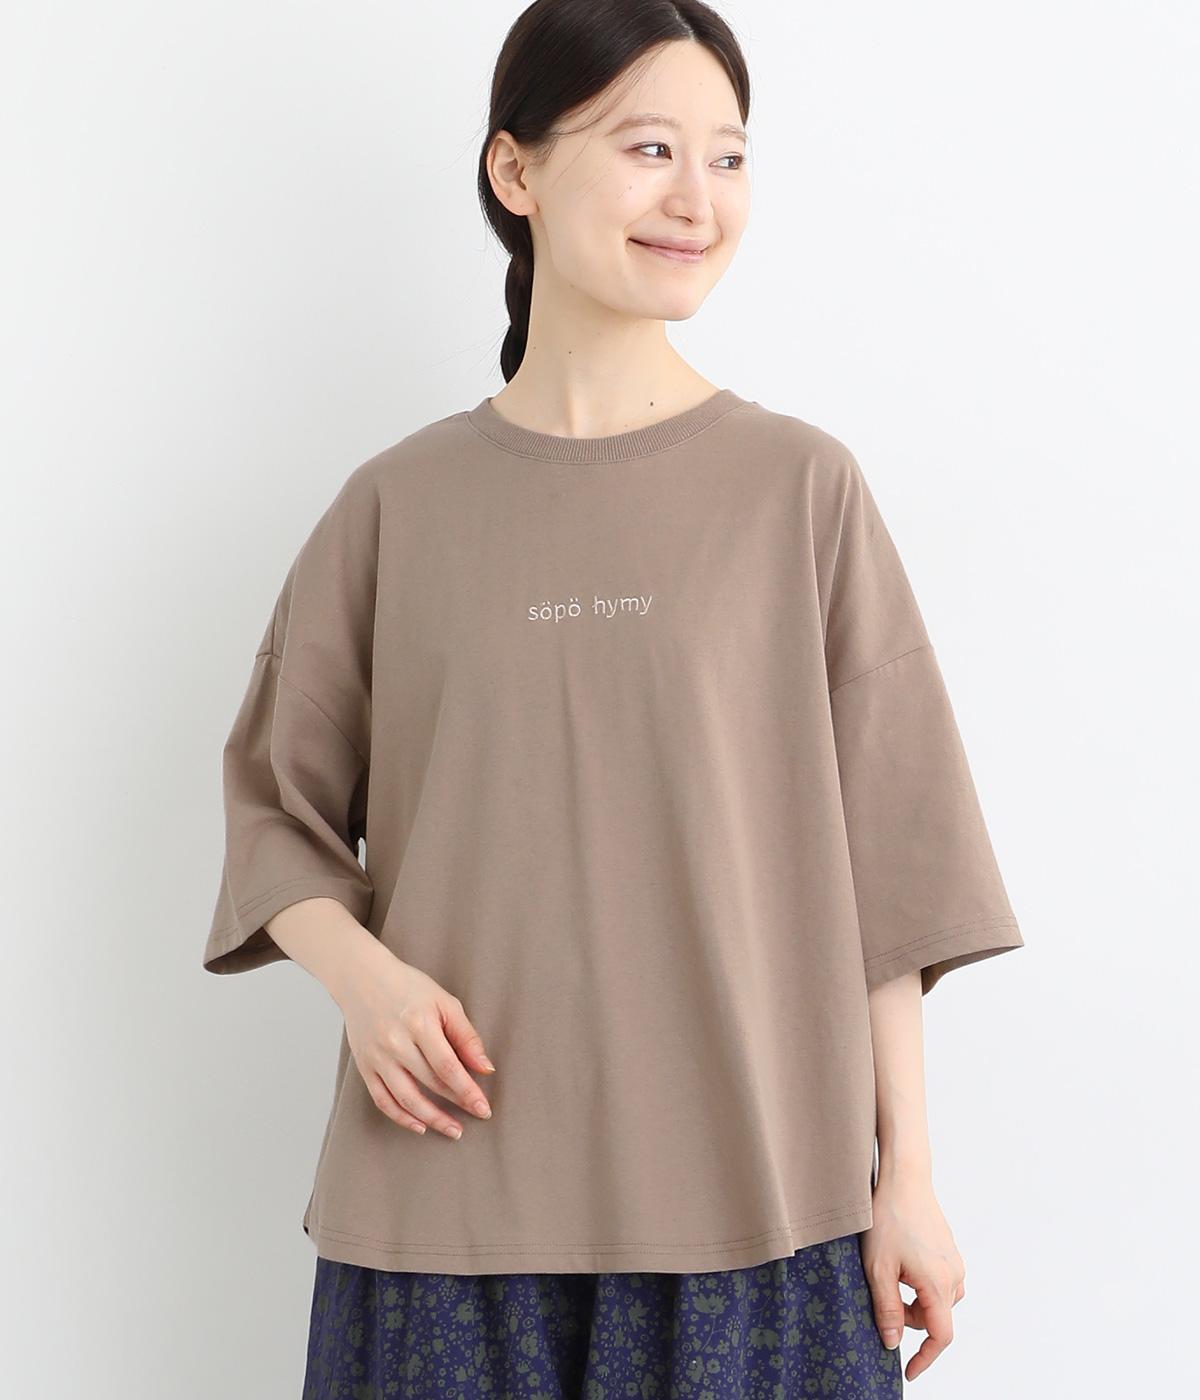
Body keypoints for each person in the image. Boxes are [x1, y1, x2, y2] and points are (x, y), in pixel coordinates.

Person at [203, 2, 1025, 1395]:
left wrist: (911, 1180)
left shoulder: (799, 490)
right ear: (514, 170)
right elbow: (275, 808)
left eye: (729, 156)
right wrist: (364, 979)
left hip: (763, 1215)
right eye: (650, 148)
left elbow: (893, 872)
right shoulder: (397, 507)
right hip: (446, 1218)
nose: (698, 198)